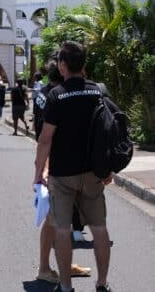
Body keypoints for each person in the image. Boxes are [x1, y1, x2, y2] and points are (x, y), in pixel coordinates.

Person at [33, 41, 113, 292]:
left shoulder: (57, 96)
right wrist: (108, 167)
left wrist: (38, 173)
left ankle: (66, 286)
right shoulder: (98, 92)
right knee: (99, 228)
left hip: (63, 174)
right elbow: (109, 130)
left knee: (61, 228)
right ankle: (102, 283)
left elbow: (45, 139)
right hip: (93, 172)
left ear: (63, 65)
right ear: (84, 65)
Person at [34, 59, 91, 285]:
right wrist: (44, 169)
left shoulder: (48, 94)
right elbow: (45, 136)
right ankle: (45, 267)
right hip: (54, 164)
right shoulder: (55, 96)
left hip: (55, 162)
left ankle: (61, 265)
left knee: (60, 220)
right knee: (53, 220)